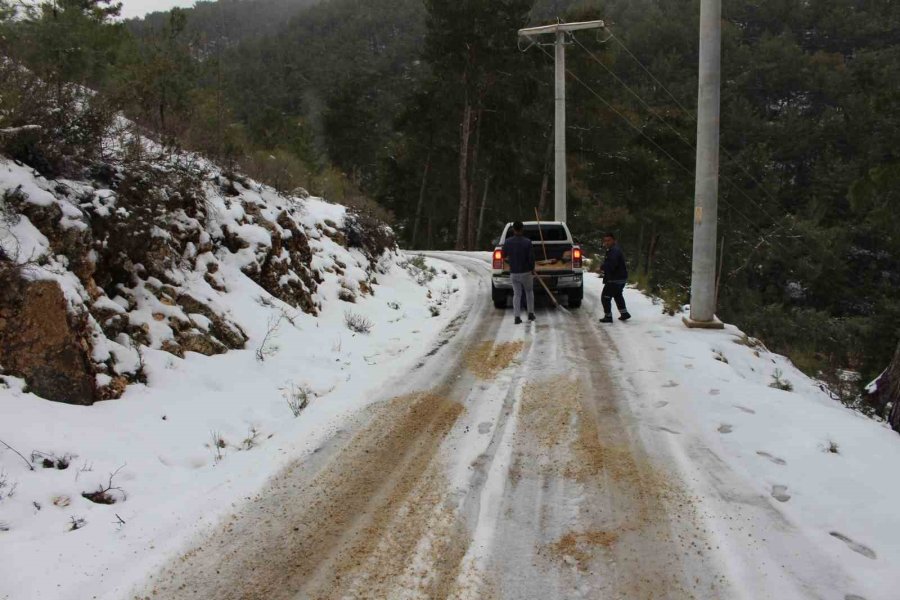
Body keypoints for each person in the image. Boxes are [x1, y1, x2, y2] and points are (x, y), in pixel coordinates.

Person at [502, 221, 536, 324]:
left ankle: (517, 317)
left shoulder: (507, 242)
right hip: (526, 272)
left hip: (514, 273)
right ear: (522, 229)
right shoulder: (527, 242)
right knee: (529, 292)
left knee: (517, 294)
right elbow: (531, 258)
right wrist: (532, 268)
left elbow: (503, 255)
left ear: (513, 229)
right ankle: (530, 314)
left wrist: (509, 260)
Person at [599, 232, 631, 323]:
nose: (606, 242)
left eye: (609, 240)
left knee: (605, 297)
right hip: (621, 278)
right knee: (617, 295)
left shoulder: (614, 251)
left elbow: (611, 264)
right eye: (605, 241)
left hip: (615, 279)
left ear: (614, 241)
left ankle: (608, 316)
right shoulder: (613, 250)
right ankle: (624, 313)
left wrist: (601, 267)